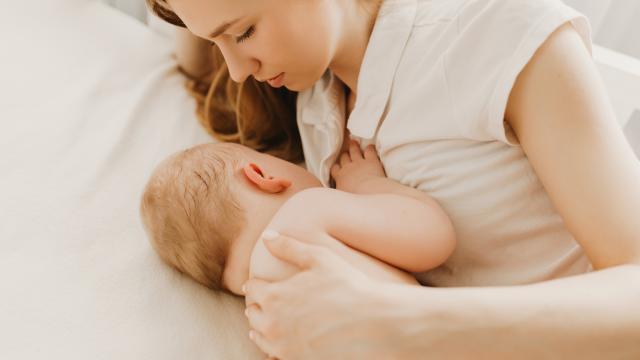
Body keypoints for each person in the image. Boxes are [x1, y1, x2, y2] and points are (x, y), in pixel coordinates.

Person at [147, 0, 640, 358]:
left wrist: (396, 319)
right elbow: (197, 70)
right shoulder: (313, 107)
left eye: (245, 32)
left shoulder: (496, 35)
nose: (236, 71)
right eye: (216, 41)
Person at [140, 141, 455, 295]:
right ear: (261, 174)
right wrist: (364, 184)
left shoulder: (263, 311)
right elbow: (433, 237)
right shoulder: (307, 210)